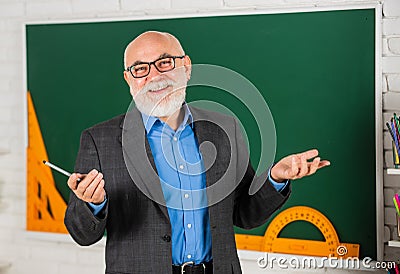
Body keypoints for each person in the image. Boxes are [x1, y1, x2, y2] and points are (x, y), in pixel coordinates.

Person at [64, 31, 330, 274]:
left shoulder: (224, 129)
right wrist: (92, 203)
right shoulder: (100, 140)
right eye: (140, 69)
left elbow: (244, 215)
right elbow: (81, 234)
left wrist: (276, 177)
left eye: (165, 62)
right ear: (128, 78)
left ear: (187, 66)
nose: (154, 76)